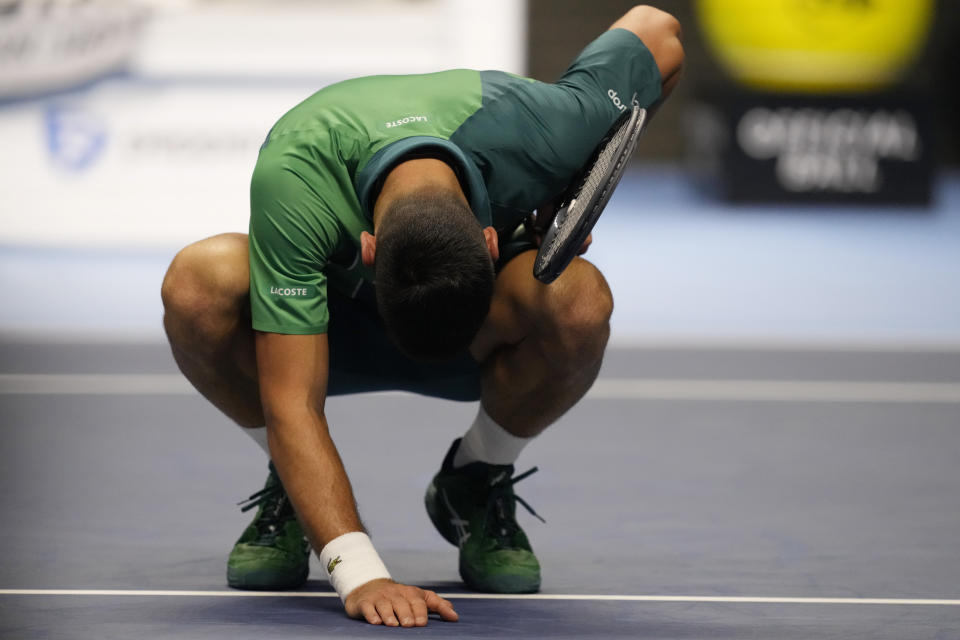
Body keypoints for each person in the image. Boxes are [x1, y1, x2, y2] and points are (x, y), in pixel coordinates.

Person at [160, 5, 683, 628]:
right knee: (198, 283)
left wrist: (582, 192)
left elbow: (660, 32)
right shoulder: (297, 179)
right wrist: (359, 573)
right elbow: (292, 402)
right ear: (368, 249)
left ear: (491, 243)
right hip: (334, 325)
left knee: (579, 300)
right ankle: (295, 495)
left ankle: (476, 478)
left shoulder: (545, 129)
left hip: (480, 332)